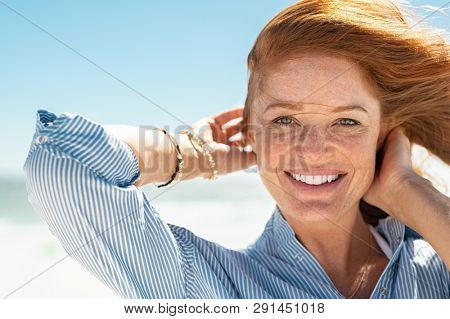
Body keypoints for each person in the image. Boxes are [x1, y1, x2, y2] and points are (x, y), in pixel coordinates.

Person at [23, 0, 449, 299]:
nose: (313, 150)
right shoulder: (207, 288)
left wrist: (408, 191)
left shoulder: (437, 267)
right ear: (251, 130)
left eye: (347, 121)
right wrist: (190, 153)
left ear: (385, 133)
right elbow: (62, 163)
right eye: (284, 120)